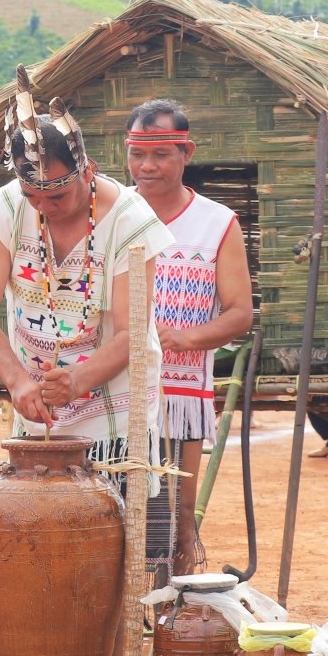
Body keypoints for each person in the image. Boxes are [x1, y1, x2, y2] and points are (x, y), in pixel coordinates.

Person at [0, 70, 172, 656]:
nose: (47, 207)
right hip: (40, 392)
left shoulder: (131, 219)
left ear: (87, 171)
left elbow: (127, 335)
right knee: (46, 543)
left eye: (60, 192)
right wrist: (21, 382)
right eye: (35, 194)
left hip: (117, 395)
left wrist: (75, 382)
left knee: (115, 549)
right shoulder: (3, 212)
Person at [124, 98, 254, 574]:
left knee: (175, 521)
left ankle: (174, 625)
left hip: (181, 397)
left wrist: (180, 338)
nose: (147, 165)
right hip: (112, 394)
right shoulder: (111, 213)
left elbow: (240, 314)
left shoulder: (218, 223)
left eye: (160, 154)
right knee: (110, 514)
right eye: (138, 153)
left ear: (186, 152)